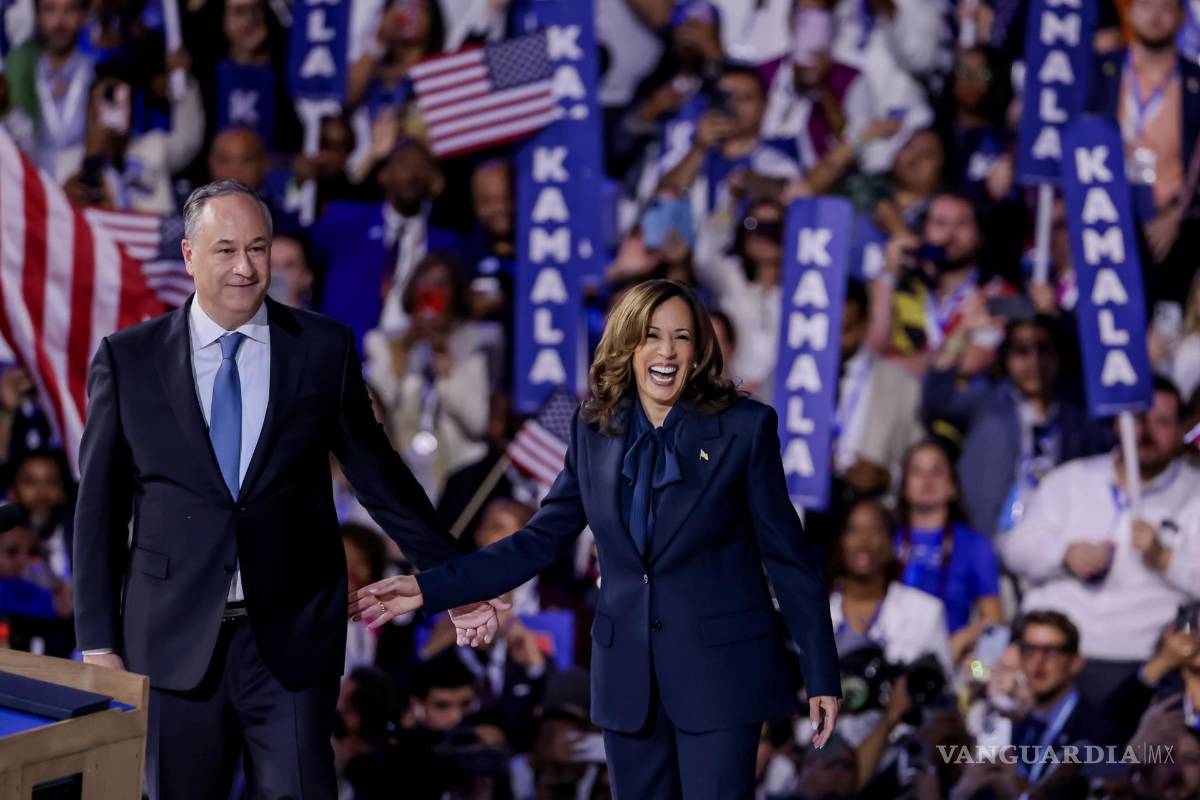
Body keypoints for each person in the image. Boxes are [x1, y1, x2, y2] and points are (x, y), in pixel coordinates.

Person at [72, 180, 503, 799]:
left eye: (258, 248)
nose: (245, 267)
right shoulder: (128, 359)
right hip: (169, 642)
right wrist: (97, 644)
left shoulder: (322, 349)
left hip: (291, 642)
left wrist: (456, 583)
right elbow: (99, 514)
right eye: (225, 250)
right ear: (190, 256)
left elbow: (379, 478)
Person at [351, 279, 842, 798]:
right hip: (627, 678)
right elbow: (539, 540)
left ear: (699, 350)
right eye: (651, 335)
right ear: (626, 344)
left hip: (720, 676)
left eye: (682, 337)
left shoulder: (744, 428)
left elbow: (788, 560)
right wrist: (431, 587)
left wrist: (821, 673)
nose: (667, 352)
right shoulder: (594, 428)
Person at [1001, 377, 1200, 711]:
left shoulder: (1195, 494)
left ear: (1182, 428)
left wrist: (1165, 558)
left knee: (1115, 756)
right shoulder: (1072, 479)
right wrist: (1062, 555)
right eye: (1137, 420)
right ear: (1118, 423)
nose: (1145, 432)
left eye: (1162, 421)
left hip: (1139, 665)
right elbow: (1012, 549)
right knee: (979, 675)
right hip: (1046, 654)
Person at [922, 316, 1110, 537]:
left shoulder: (1075, 418)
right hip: (992, 540)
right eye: (1022, 351)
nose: (1034, 361)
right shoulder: (987, 401)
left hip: (1055, 544)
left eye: (1043, 349)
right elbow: (936, 400)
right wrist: (960, 333)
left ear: (1057, 357)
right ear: (1006, 359)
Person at [894, 441, 1003, 663]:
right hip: (887, 656)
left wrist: (978, 674)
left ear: (952, 486)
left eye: (937, 471)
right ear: (904, 485)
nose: (927, 480)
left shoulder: (975, 546)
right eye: (916, 471)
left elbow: (995, 625)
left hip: (949, 661)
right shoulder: (883, 539)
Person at [827, 498, 953, 675]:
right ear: (840, 543)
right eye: (853, 530)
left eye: (875, 530)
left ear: (890, 544)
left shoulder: (926, 612)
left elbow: (943, 688)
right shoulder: (811, 610)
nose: (864, 540)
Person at [1005, 611, 1123, 785]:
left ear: (1076, 663)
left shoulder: (1096, 734)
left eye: (1051, 651)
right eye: (1030, 649)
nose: (1038, 660)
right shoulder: (1020, 724)